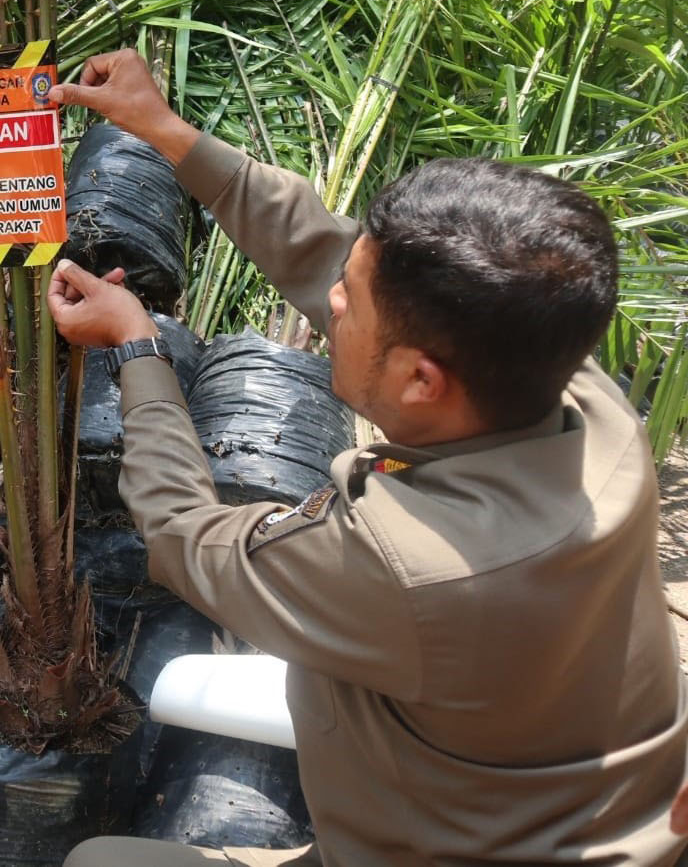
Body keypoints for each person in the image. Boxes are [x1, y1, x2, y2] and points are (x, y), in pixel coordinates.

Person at [46, 49, 686, 866]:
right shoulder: (580, 399)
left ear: (423, 379)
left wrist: (137, 347)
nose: (331, 300)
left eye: (350, 302)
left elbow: (180, 532)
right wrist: (168, 133)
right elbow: (324, 252)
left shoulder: (407, 565)